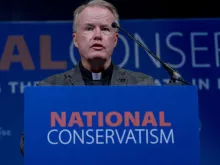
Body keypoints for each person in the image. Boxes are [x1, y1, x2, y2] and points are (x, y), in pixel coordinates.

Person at [20, 0, 156, 156]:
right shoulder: (49, 88)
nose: (97, 35)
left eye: (105, 29)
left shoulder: (142, 85)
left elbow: (154, 142)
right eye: (89, 28)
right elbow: (27, 146)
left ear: (115, 40)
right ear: (76, 39)